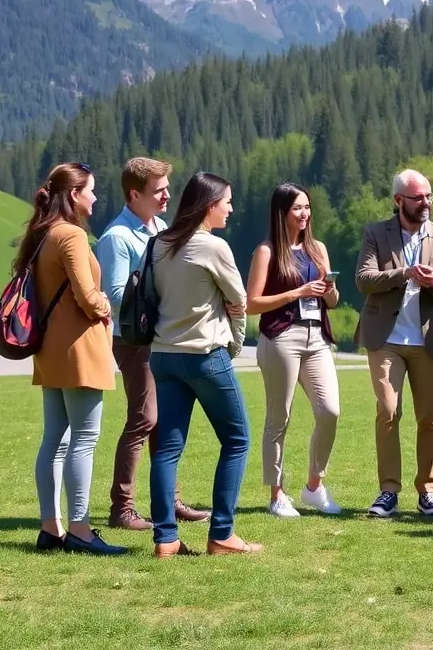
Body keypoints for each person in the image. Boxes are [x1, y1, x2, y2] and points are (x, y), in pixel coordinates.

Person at [149, 171, 261, 557]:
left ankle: (165, 539)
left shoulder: (158, 243)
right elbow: (238, 301)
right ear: (210, 204)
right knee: (237, 440)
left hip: (163, 356)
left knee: (167, 450)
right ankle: (222, 535)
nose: (231, 208)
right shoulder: (214, 247)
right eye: (227, 201)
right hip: (204, 355)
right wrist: (234, 346)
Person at [96, 157, 209, 530]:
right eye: (158, 191)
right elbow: (113, 293)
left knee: (163, 421)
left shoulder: (159, 226)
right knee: (144, 418)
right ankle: (122, 508)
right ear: (134, 194)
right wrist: (163, 296)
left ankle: (168, 501)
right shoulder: (116, 237)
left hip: (160, 338)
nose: (167, 196)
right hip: (133, 341)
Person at [22, 162, 126, 556]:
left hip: (50, 350)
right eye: (91, 191)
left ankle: (51, 528)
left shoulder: (43, 234)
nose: (96, 198)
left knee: (55, 439)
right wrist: (108, 306)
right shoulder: (71, 236)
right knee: (84, 438)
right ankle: (80, 528)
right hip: (80, 349)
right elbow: (87, 295)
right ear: (73, 195)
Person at [355, 169, 433, 517]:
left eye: (429, 196)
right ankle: (388, 491)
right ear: (399, 200)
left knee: (429, 417)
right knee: (388, 411)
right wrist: (403, 274)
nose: (426, 203)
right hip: (385, 338)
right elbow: (364, 279)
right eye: (418, 198)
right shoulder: (375, 233)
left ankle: (429, 491)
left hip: (427, 338)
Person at [246, 183, 341, 518]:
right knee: (279, 418)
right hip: (280, 338)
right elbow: (252, 304)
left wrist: (328, 291)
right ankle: (277, 494)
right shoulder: (267, 251)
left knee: (330, 411)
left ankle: (314, 486)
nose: (304, 214)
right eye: (297, 208)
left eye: (307, 207)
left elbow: (333, 299)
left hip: (317, 338)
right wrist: (297, 292)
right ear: (282, 212)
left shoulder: (318, 249)